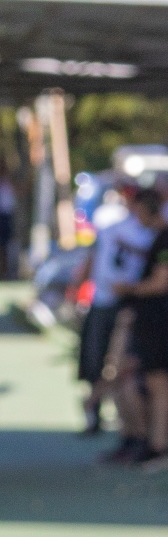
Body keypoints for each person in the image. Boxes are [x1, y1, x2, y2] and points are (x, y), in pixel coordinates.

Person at [79, 182, 158, 444]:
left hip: (127, 305)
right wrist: (82, 281)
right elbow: (95, 254)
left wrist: (130, 289)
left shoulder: (151, 233)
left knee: (122, 367)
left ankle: (138, 434)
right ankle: (100, 413)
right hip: (103, 300)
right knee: (96, 361)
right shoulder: (110, 224)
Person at [117, 198, 168, 466]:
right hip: (150, 322)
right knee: (143, 384)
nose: (136, 219)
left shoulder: (164, 239)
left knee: (157, 385)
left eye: (139, 213)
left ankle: (158, 446)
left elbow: (160, 282)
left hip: (157, 323)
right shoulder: (157, 239)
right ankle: (146, 442)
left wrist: (127, 289)